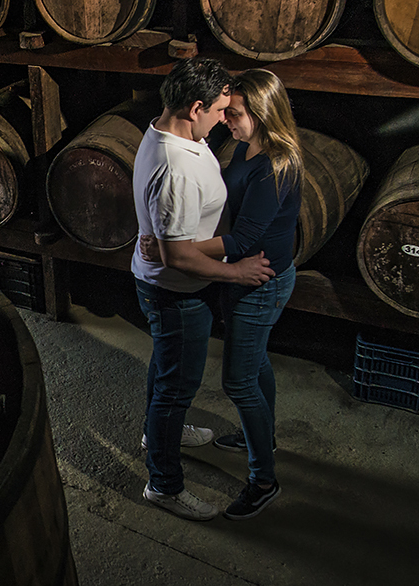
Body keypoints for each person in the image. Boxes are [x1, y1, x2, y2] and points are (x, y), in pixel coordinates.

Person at [141, 68, 303, 521]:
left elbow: (243, 238)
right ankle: (264, 440)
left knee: (238, 381)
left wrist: (179, 247)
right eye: (223, 113)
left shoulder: (276, 163)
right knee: (257, 363)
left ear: (263, 112)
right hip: (246, 276)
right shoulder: (247, 146)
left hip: (260, 279)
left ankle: (263, 479)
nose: (226, 121)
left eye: (234, 114)